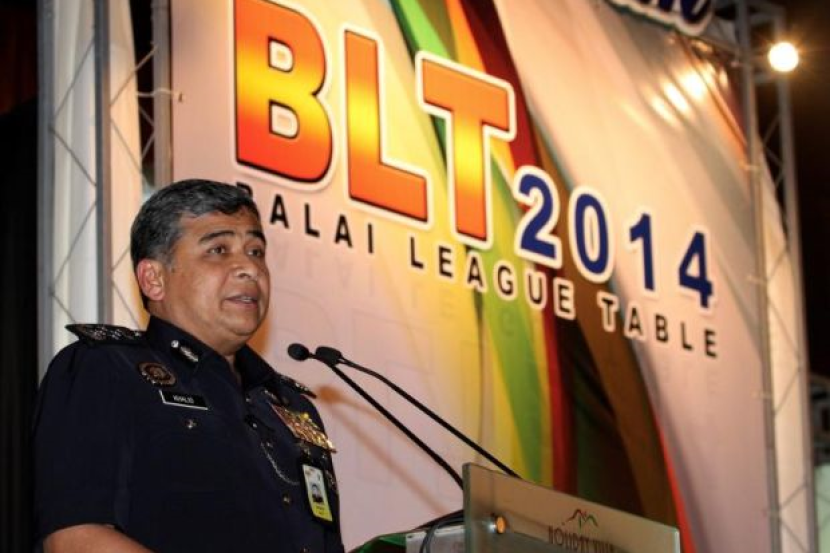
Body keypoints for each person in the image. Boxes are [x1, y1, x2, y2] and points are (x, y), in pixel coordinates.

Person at [33, 179, 344, 553]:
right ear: (154, 279)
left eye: (256, 251)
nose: (249, 267)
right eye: (218, 249)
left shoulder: (293, 407)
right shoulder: (107, 368)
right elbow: (75, 539)